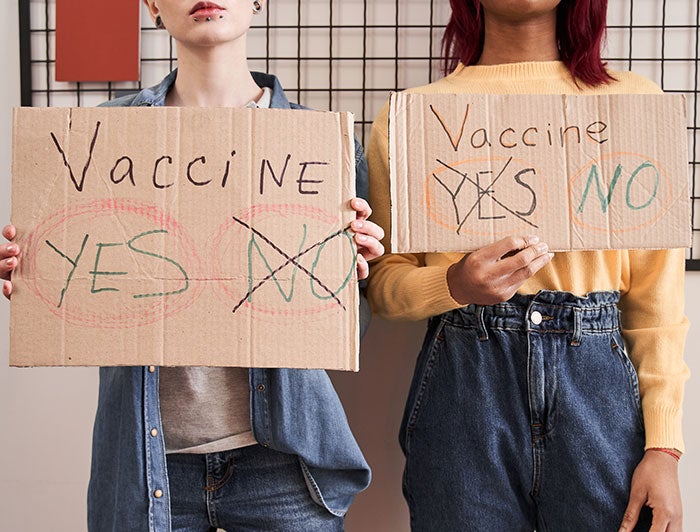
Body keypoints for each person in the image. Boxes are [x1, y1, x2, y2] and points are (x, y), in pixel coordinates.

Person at [1, 0, 385, 530]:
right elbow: (73, 276)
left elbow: (347, 331)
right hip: (147, 462)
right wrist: (34, 272)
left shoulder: (321, 144)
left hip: (284, 462)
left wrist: (349, 274)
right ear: (154, 5)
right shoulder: (98, 136)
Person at [365, 0, 688, 530]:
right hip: (465, 382)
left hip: (600, 392)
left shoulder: (635, 105)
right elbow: (382, 284)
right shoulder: (412, 115)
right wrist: (455, 283)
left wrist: (664, 448)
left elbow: (658, 308)